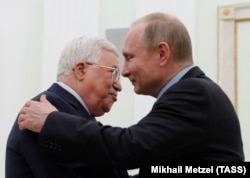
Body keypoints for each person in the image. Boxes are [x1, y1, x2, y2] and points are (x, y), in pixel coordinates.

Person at [18, 12, 244, 177]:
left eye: (130, 57)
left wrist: (52, 122)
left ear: (162, 53)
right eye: (114, 71)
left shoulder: (193, 92)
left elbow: (127, 147)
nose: (125, 73)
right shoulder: (193, 92)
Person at [6, 36, 129, 178]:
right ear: (81, 70)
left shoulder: (72, 115)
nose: (119, 86)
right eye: (113, 73)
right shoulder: (45, 112)